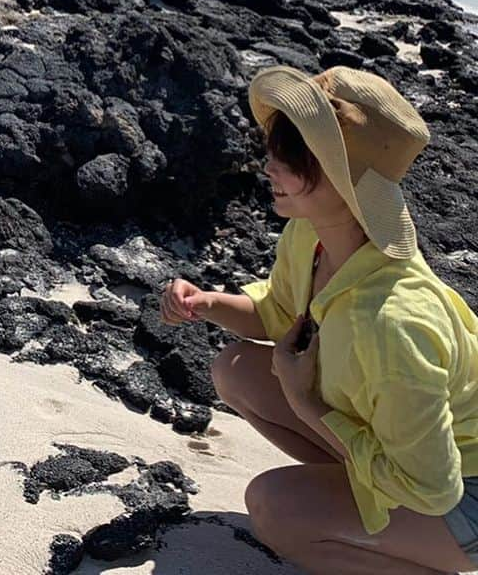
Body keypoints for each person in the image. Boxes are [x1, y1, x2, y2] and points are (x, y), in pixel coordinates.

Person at [161, 65, 478, 574]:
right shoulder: (311, 237)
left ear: (342, 176)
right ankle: (355, 500)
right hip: (405, 455)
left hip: (459, 492)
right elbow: (275, 314)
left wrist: (305, 400)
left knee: (276, 508)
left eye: (289, 158)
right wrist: (209, 304)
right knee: (237, 367)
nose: (268, 168)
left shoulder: (390, 322)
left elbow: (433, 488)